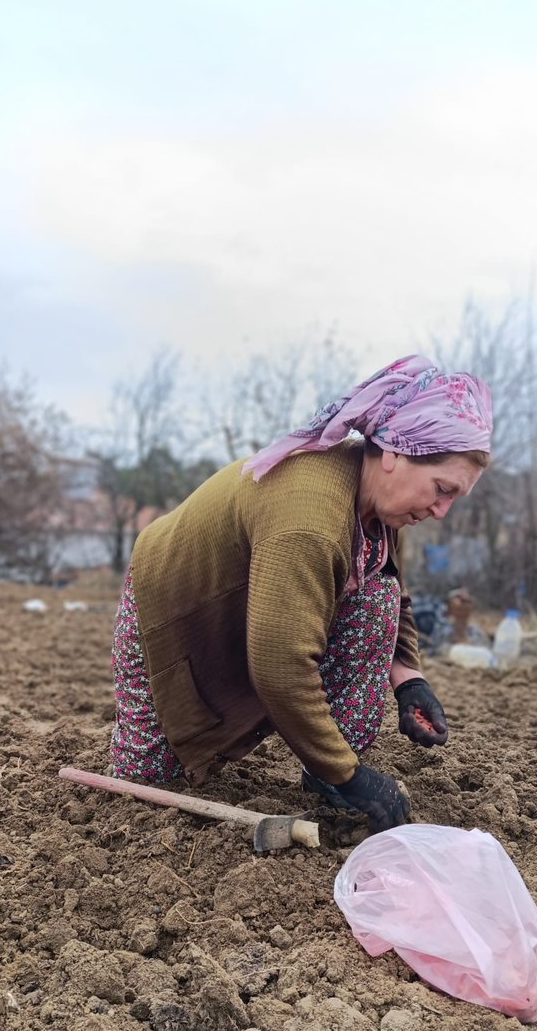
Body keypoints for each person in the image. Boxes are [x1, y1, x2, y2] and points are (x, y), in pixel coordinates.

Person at [110, 354, 492, 833]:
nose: (442, 510)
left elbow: (388, 589)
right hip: (177, 614)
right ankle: (335, 770)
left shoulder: (379, 504)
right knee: (146, 789)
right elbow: (279, 666)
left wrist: (409, 678)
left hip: (268, 608)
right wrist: (354, 778)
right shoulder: (310, 520)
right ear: (395, 453)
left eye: (454, 497)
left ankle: (326, 776)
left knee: (375, 604)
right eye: (441, 489)